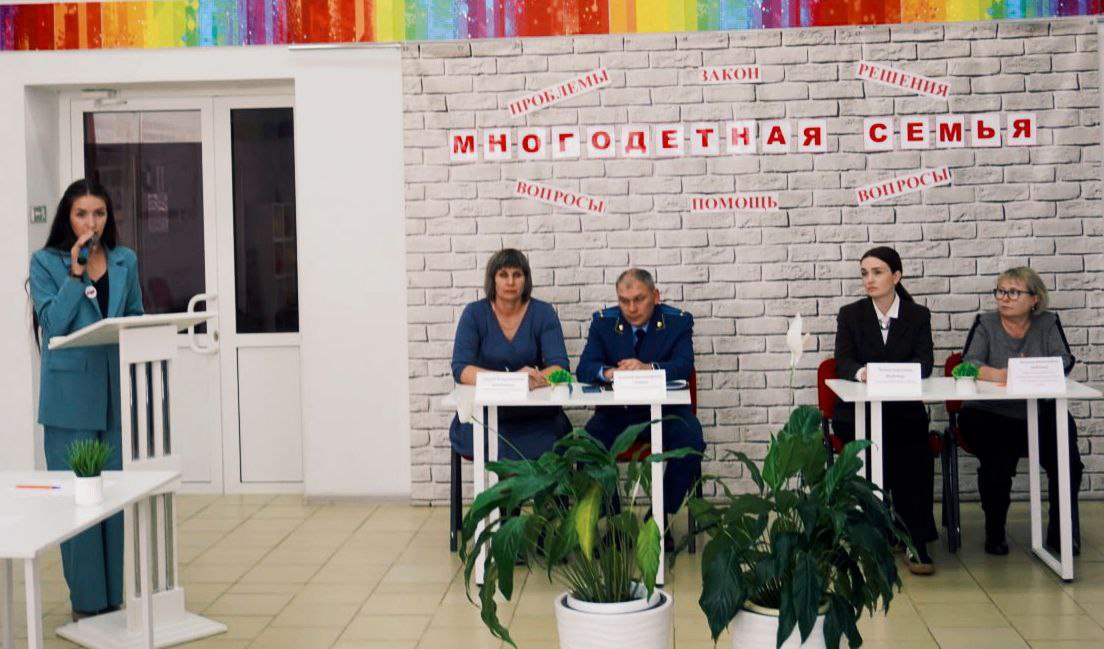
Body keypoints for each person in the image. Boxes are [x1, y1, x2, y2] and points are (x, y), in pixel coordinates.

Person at [28, 178, 144, 619]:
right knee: (79, 504)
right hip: (69, 401)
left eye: (99, 213)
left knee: (113, 502)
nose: (91, 222)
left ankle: (113, 599)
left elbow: (135, 317)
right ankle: (87, 604)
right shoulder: (46, 262)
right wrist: (75, 275)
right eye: (81, 214)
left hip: (115, 398)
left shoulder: (124, 260)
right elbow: (53, 323)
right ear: (67, 218)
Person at [957, 267, 1080, 556]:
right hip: (990, 413)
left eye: (1013, 292)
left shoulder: (1048, 323)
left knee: (1068, 463)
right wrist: (1001, 374)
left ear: (1034, 299)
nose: (1004, 298)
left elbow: (1065, 360)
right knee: (997, 466)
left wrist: (1034, 371)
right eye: (1000, 291)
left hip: (1039, 409)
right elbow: (969, 363)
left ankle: (1060, 533)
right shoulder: (985, 322)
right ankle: (995, 532)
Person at [833, 246, 937, 575]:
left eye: (877, 272)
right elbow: (843, 362)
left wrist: (890, 375)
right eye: (864, 273)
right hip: (858, 413)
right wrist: (864, 373)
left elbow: (925, 363)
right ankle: (877, 535)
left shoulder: (918, 315)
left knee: (914, 454)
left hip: (903, 411)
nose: (869, 279)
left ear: (896, 276)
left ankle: (915, 539)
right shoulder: (850, 314)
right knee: (878, 447)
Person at [576, 268, 705, 522]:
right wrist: (609, 373)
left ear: (655, 296)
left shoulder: (678, 322)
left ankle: (658, 516)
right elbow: (585, 368)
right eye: (624, 301)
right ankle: (614, 522)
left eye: (639, 299)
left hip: (666, 411)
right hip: (618, 413)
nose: (631, 308)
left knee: (691, 440)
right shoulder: (603, 323)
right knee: (587, 445)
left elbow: (683, 365)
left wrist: (649, 368)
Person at [449, 248, 572, 460]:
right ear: (493, 279)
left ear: (526, 279)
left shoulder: (543, 313)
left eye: (517, 275)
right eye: (503, 275)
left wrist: (533, 380)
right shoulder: (474, 314)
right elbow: (461, 369)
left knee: (552, 444)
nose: (511, 282)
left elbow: (560, 367)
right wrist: (513, 381)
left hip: (536, 416)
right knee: (486, 444)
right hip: (485, 414)